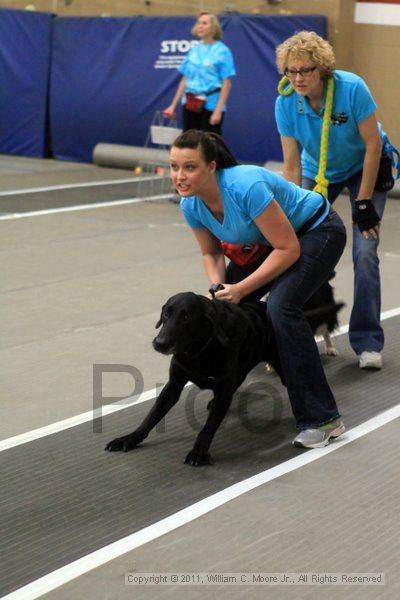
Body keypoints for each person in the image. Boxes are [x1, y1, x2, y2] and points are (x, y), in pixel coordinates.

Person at [169, 129, 347, 449]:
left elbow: (288, 249)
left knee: (282, 309)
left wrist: (239, 289)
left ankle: (323, 419)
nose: (179, 176)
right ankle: (226, 383)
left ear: (211, 167)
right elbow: (210, 253)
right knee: (222, 308)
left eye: (189, 167)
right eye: (174, 166)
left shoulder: (244, 186)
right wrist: (219, 288)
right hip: (272, 242)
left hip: (318, 231)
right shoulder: (191, 204)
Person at [275, 31, 399, 371]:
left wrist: (363, 204)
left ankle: (367, 341)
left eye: (306, 70)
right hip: (320, 172)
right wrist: (292, 209)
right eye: (291, 71)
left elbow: (373, 146)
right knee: (295, 249)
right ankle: (289, 335)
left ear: (323, 69)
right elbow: (291, 162)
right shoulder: (286, 102)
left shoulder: (351, 88)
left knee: (365, 251)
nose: (298, 78)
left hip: (365, 166)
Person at [163, 12, 236, 135]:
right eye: (198, 23)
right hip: (190, 102)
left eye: (204, 23)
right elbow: (184, 79)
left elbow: (227, 83)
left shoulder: (222, 51)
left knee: (209, 145)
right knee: (190, 142)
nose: (200, 26)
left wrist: (218, 111)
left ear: (213, 28)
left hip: (211, 105)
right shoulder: (193, 49)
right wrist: (173, 105)